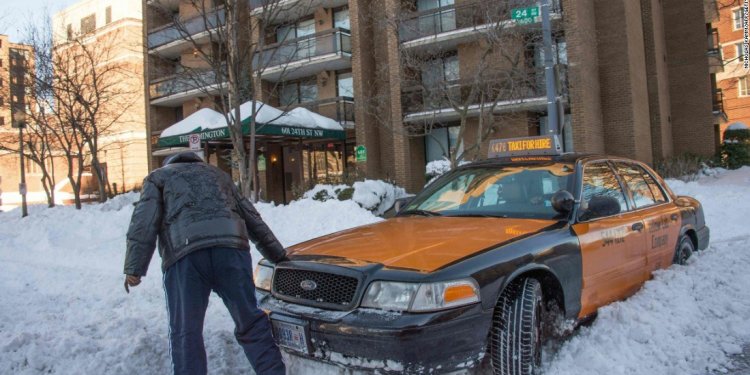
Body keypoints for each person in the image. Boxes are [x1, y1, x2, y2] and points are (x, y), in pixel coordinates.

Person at [123, 151, 287, 375]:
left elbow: (144, 222)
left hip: (186, 257)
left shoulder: (158, 178)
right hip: (232, 251)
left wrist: (134, 268)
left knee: (185, 332)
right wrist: (277, 255)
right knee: (250, 321)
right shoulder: (219, 175)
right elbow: (252, 218)